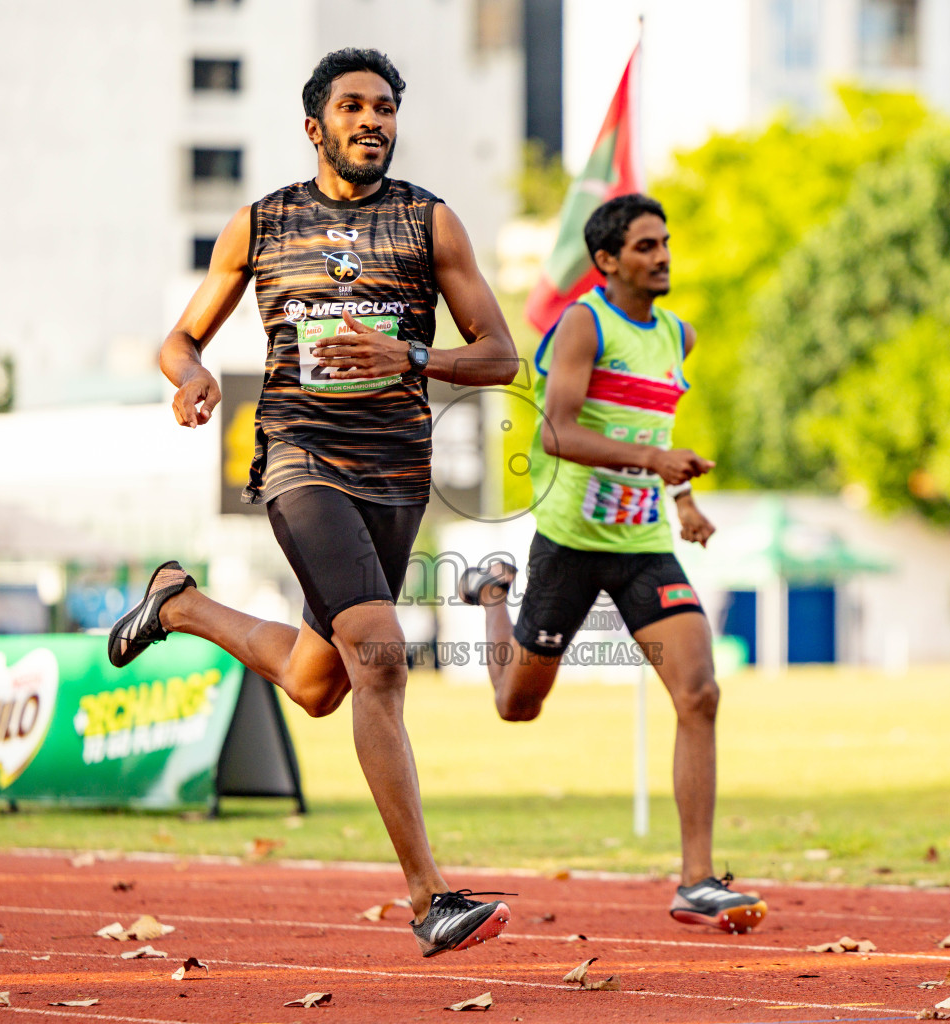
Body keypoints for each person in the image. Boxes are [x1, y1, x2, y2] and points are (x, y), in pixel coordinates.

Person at [107, 48, 519, 958]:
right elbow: (179, 338)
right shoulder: (259, 226)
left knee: (317, 681)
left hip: (398, 474)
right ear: (315, 126)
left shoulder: (430, 221)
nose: (372, 121)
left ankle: (178, 602)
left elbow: (500, 356)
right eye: (353, 107)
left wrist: (412, 358)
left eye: (384, 108)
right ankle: (428, 899)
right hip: (301, 460)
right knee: (381, 659)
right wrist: (192, 376)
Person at [458, 194, 767, 934]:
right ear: (606, 262)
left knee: (699, 693)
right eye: (644, 247)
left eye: (664, 242)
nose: (662, 256)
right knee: (516, 705)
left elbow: (654, 420)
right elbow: (560, 432)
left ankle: (697, 880)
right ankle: (494, 592)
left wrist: (681, 494)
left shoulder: (677, 335)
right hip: (569, 545)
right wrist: (654, 460)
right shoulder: (582, 324)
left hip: (642, 547)